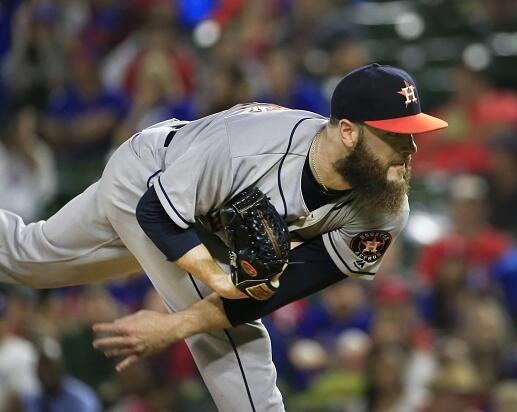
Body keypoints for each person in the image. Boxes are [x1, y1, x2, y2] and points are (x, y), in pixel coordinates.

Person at [0, 63, 448, 411]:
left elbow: (276, 290)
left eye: (413, 135)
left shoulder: (384, 205)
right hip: (152, 180)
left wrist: (191, 314)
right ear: (348, 132)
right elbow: (154, 211)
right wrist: (211, 283)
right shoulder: (252, 147)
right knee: (234, 340)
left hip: (205, 218)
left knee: (27, 258)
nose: (410, 151)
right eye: (395, 136)